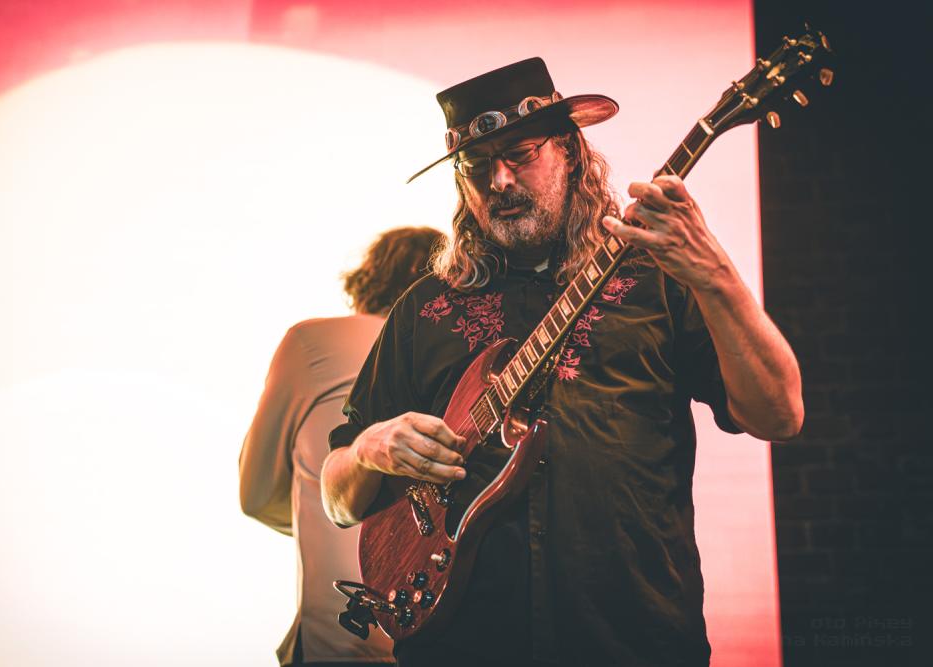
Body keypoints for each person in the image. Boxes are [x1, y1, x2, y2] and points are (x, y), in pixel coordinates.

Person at [319, 58, 803, 667]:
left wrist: (716, 276)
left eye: (519, 154)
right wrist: (367, 449)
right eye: (476, 165)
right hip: (464, 646)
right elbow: (338, 499)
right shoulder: (425, 308)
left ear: (569, 152)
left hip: (635, 640)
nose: (499, 180)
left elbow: (780, 415)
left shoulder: (658, 278)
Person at [239, 226, 447, 667]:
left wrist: (338, 506)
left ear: (369, 279)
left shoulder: (312, 342)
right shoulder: (459, 358)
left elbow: (255, 496)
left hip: (343, 638)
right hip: (448, 629)